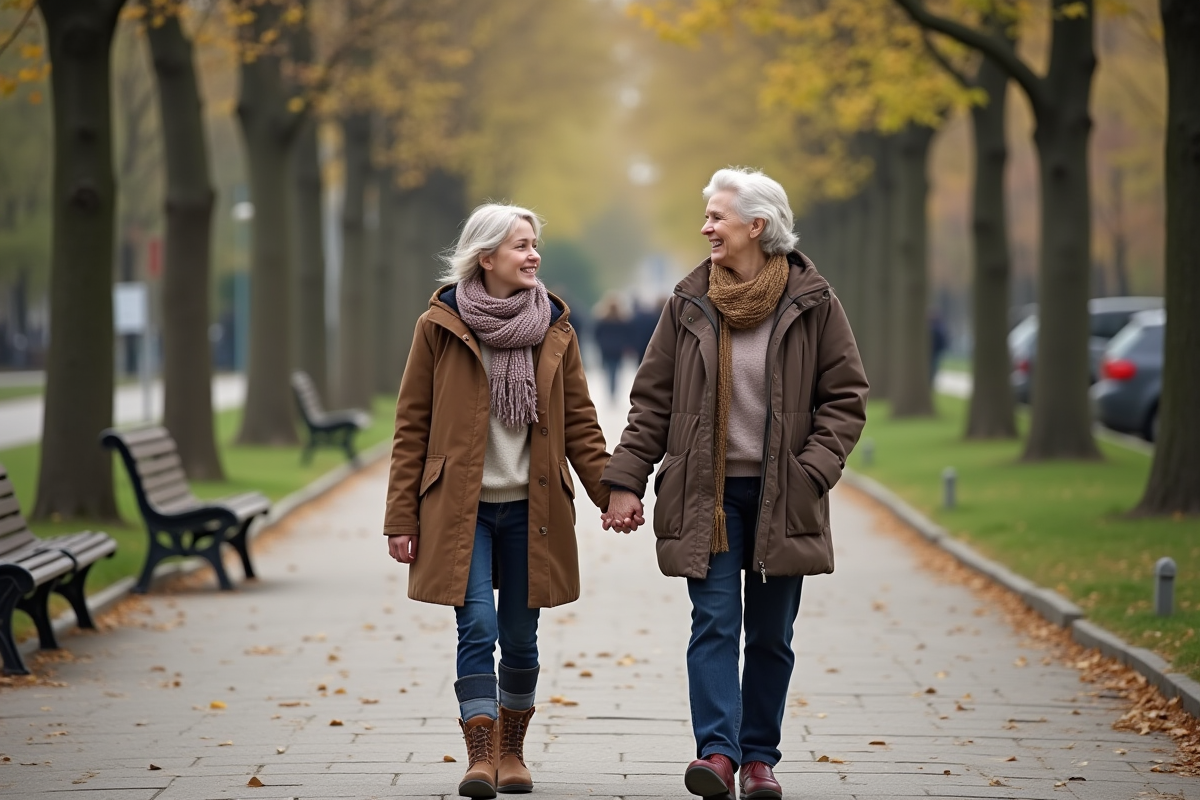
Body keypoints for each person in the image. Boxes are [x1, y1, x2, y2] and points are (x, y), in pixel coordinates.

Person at [600, 168, 868, 800]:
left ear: (758, 225)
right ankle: (717, 754)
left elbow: (846, 398)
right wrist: (625, 480)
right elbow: (653, 402)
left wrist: (812, 473)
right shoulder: (688, 303)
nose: (706, 228)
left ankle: (758, 760)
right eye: (706, 216)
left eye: (717, 217)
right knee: (715, 622)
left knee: (771, 634)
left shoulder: (812, 301)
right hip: (708, 495)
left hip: (786, 495)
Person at [384, 203, 612, 798]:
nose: (533, 255)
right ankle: (479, 754)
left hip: (532, 509)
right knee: (477, 624)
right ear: (486, 257)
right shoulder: (438, 326)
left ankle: (512, 751)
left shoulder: (555, 328)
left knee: (520, 633)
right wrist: (400, 517)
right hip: (463, 509)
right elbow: (412, 424)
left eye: (535, 244)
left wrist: (612, 492)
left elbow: (582, 422)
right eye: (520, 245)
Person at [592, 292, 632, 400]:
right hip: (618, 349)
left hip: (606, 349)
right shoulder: (623, 320)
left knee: (608, 370)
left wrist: (600, 343)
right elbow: (628, 334)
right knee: (616, 371)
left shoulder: (602, 319)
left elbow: (596, 334)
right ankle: (614, 390)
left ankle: (610, 390)